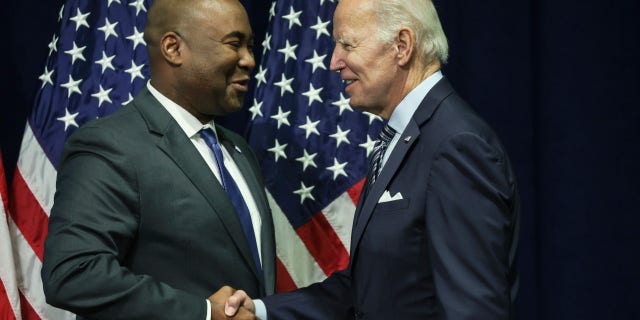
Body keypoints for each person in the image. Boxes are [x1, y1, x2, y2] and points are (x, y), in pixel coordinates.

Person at [224, 0, 520, 319]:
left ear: (402, 46)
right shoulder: (400, 137)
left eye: (347, 44)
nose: (334, 62)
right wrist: (258, 311)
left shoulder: (456, 145)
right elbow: (366, 287)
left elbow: (475, 309)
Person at [41, 0, 273, 319]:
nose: (249, 60)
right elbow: (72, 273)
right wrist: (203, 312)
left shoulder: (238, 149)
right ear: (173, 48)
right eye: (235, 44)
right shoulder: (110, 145)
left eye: (250, 45)